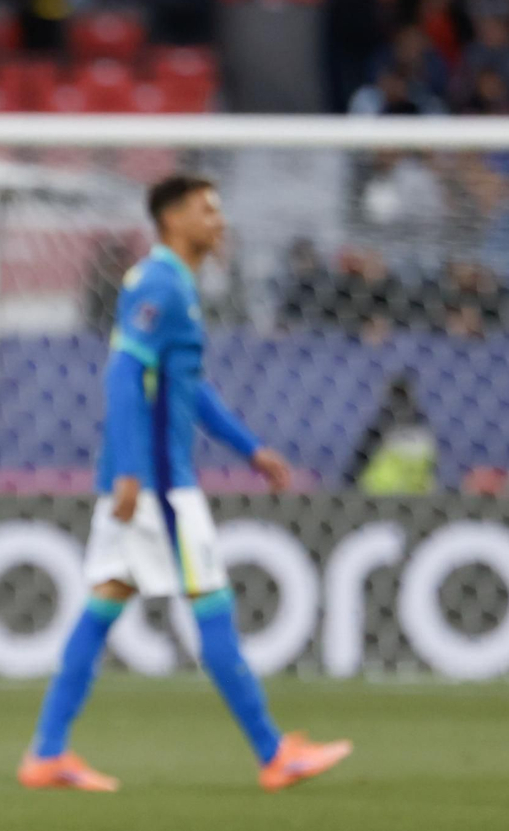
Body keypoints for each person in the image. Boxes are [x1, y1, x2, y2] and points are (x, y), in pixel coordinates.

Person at [18, 174, 352, 794]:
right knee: (213, 606)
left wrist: (252, 451)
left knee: (101, 608)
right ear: (172, 219)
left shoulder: (178, 285)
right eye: (207, 209)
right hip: (158, 488)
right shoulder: (160, 283)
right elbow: (122, 375)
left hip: (146, 481)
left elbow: (188, 386)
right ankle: (273, 753)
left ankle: (47, 752)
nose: (219, 220)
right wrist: (130, 474)